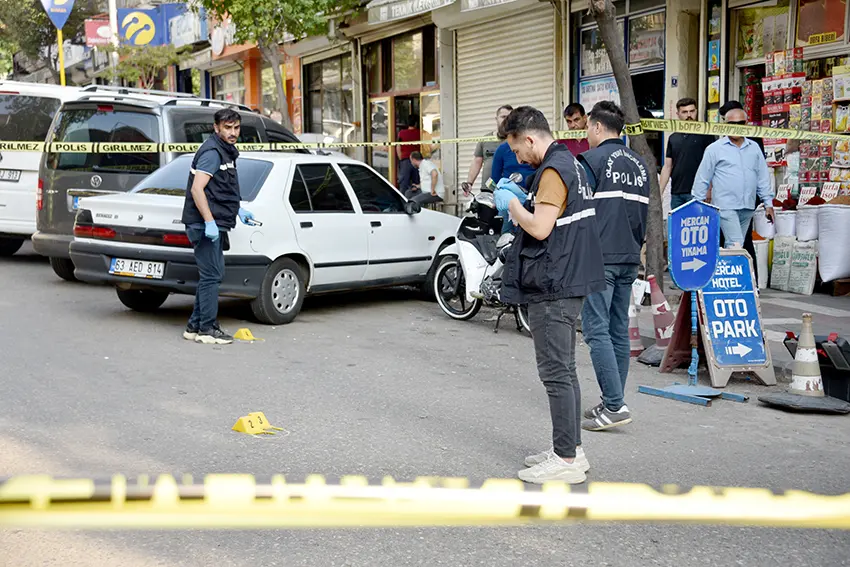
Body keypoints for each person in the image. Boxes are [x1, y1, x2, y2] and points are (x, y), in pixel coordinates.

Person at [494, 106, 605, 485]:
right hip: (571, 276)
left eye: (517, 149)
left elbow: (541, 228)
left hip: (555, 282)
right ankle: (571, 447)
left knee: (556, 372)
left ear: (529, 138)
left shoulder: (555, 170)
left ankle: (566, 458)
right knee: (565, 371)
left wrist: (512, 205)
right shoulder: (571, 163)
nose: (519, 157)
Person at [575, 101, 649, 431]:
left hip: (599, 257)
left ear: (597, 128)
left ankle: (615, 405)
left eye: (588, 127)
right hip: (629, 256)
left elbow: (576, 203)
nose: (587, 134)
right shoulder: (641, 165)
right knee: (618, 328)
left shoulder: (592, 160)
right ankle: (611, 400)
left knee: (595, 328)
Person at [181, 108, 255, 345]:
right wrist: (209, 222)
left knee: (210, 276)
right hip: (204, 224)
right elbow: (197, 189)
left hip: (215, 221)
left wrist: (238, 209)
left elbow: (223, 188)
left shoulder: (226, 151)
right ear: (216, 128)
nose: (233, 133)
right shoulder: (213, 152)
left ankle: (194, 326)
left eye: (236, 128)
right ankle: (207, 329)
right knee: (212, 275)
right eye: (228, 128)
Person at [692, 107, 775, 247]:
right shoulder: (714, 149)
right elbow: (703, 177)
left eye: (740, 124)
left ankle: (725, 268)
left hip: (747, 205)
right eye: (732, 124)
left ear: (747, 124)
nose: (736, 128)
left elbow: (762, 176)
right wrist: (697, 204)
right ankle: (733, 267)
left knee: (737, 245)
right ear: (725, 125)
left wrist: (768, 204)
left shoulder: (754, 148)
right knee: (735, 243)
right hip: (725, 205)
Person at [659, 98, 715, 210]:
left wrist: (709, 189)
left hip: (697, 192)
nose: (689, 115)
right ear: (678, 114)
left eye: (692, 111)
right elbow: (667, 166)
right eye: (684, 112)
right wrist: (660, 192)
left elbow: (712, 165)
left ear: (696, 111)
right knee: (676, 225)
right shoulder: (673, 138)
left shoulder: (706, 135)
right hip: (676, 192)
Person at [462, 105, 513, 195]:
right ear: (496, 118)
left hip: (510, 191)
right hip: (488, 190)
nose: (506, 120)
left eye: (509, 117)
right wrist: (469, 183)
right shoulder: (486, 139)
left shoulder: (517, 140)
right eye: (503, 117)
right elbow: (477, 162)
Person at [397, 116, 421, 192]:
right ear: (416, 123)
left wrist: (401, 158)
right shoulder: (420, 133)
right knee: (417, 184)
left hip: (405, 160)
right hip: (417, 161)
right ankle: (415, 202)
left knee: (403, 184)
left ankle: (403, 201)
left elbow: (398, 147)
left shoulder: (401, 133)